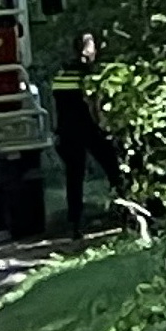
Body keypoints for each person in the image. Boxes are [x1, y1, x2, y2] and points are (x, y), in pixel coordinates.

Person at [49, 31, 126, 241]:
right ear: (85, 49)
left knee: (75, 178)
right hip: (89, 129)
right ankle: (127, 214)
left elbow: (57, 106)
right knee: (114, 169)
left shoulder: (62, 74)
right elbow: (94, 105)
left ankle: (75, 225)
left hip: (66, 132)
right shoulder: (89, 74)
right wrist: (105, 127)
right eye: (92, 46)